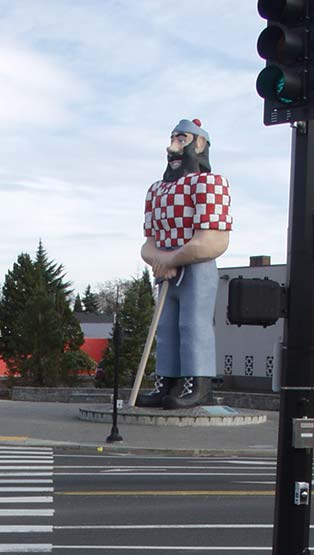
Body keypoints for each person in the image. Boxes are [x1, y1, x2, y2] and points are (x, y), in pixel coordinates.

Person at [137, 119, 232, 409]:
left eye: (181, 140)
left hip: (196, 268)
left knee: (193, 324)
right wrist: (159, 259)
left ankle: (197, 382)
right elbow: (148, 241)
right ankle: (166, 380)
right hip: (165, 272)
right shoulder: (156, 190)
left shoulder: (210, 184)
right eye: (172, 140)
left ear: (200, 145)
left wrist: (171, 259)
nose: (172, 147)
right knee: (165, 328)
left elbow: (214, 241)